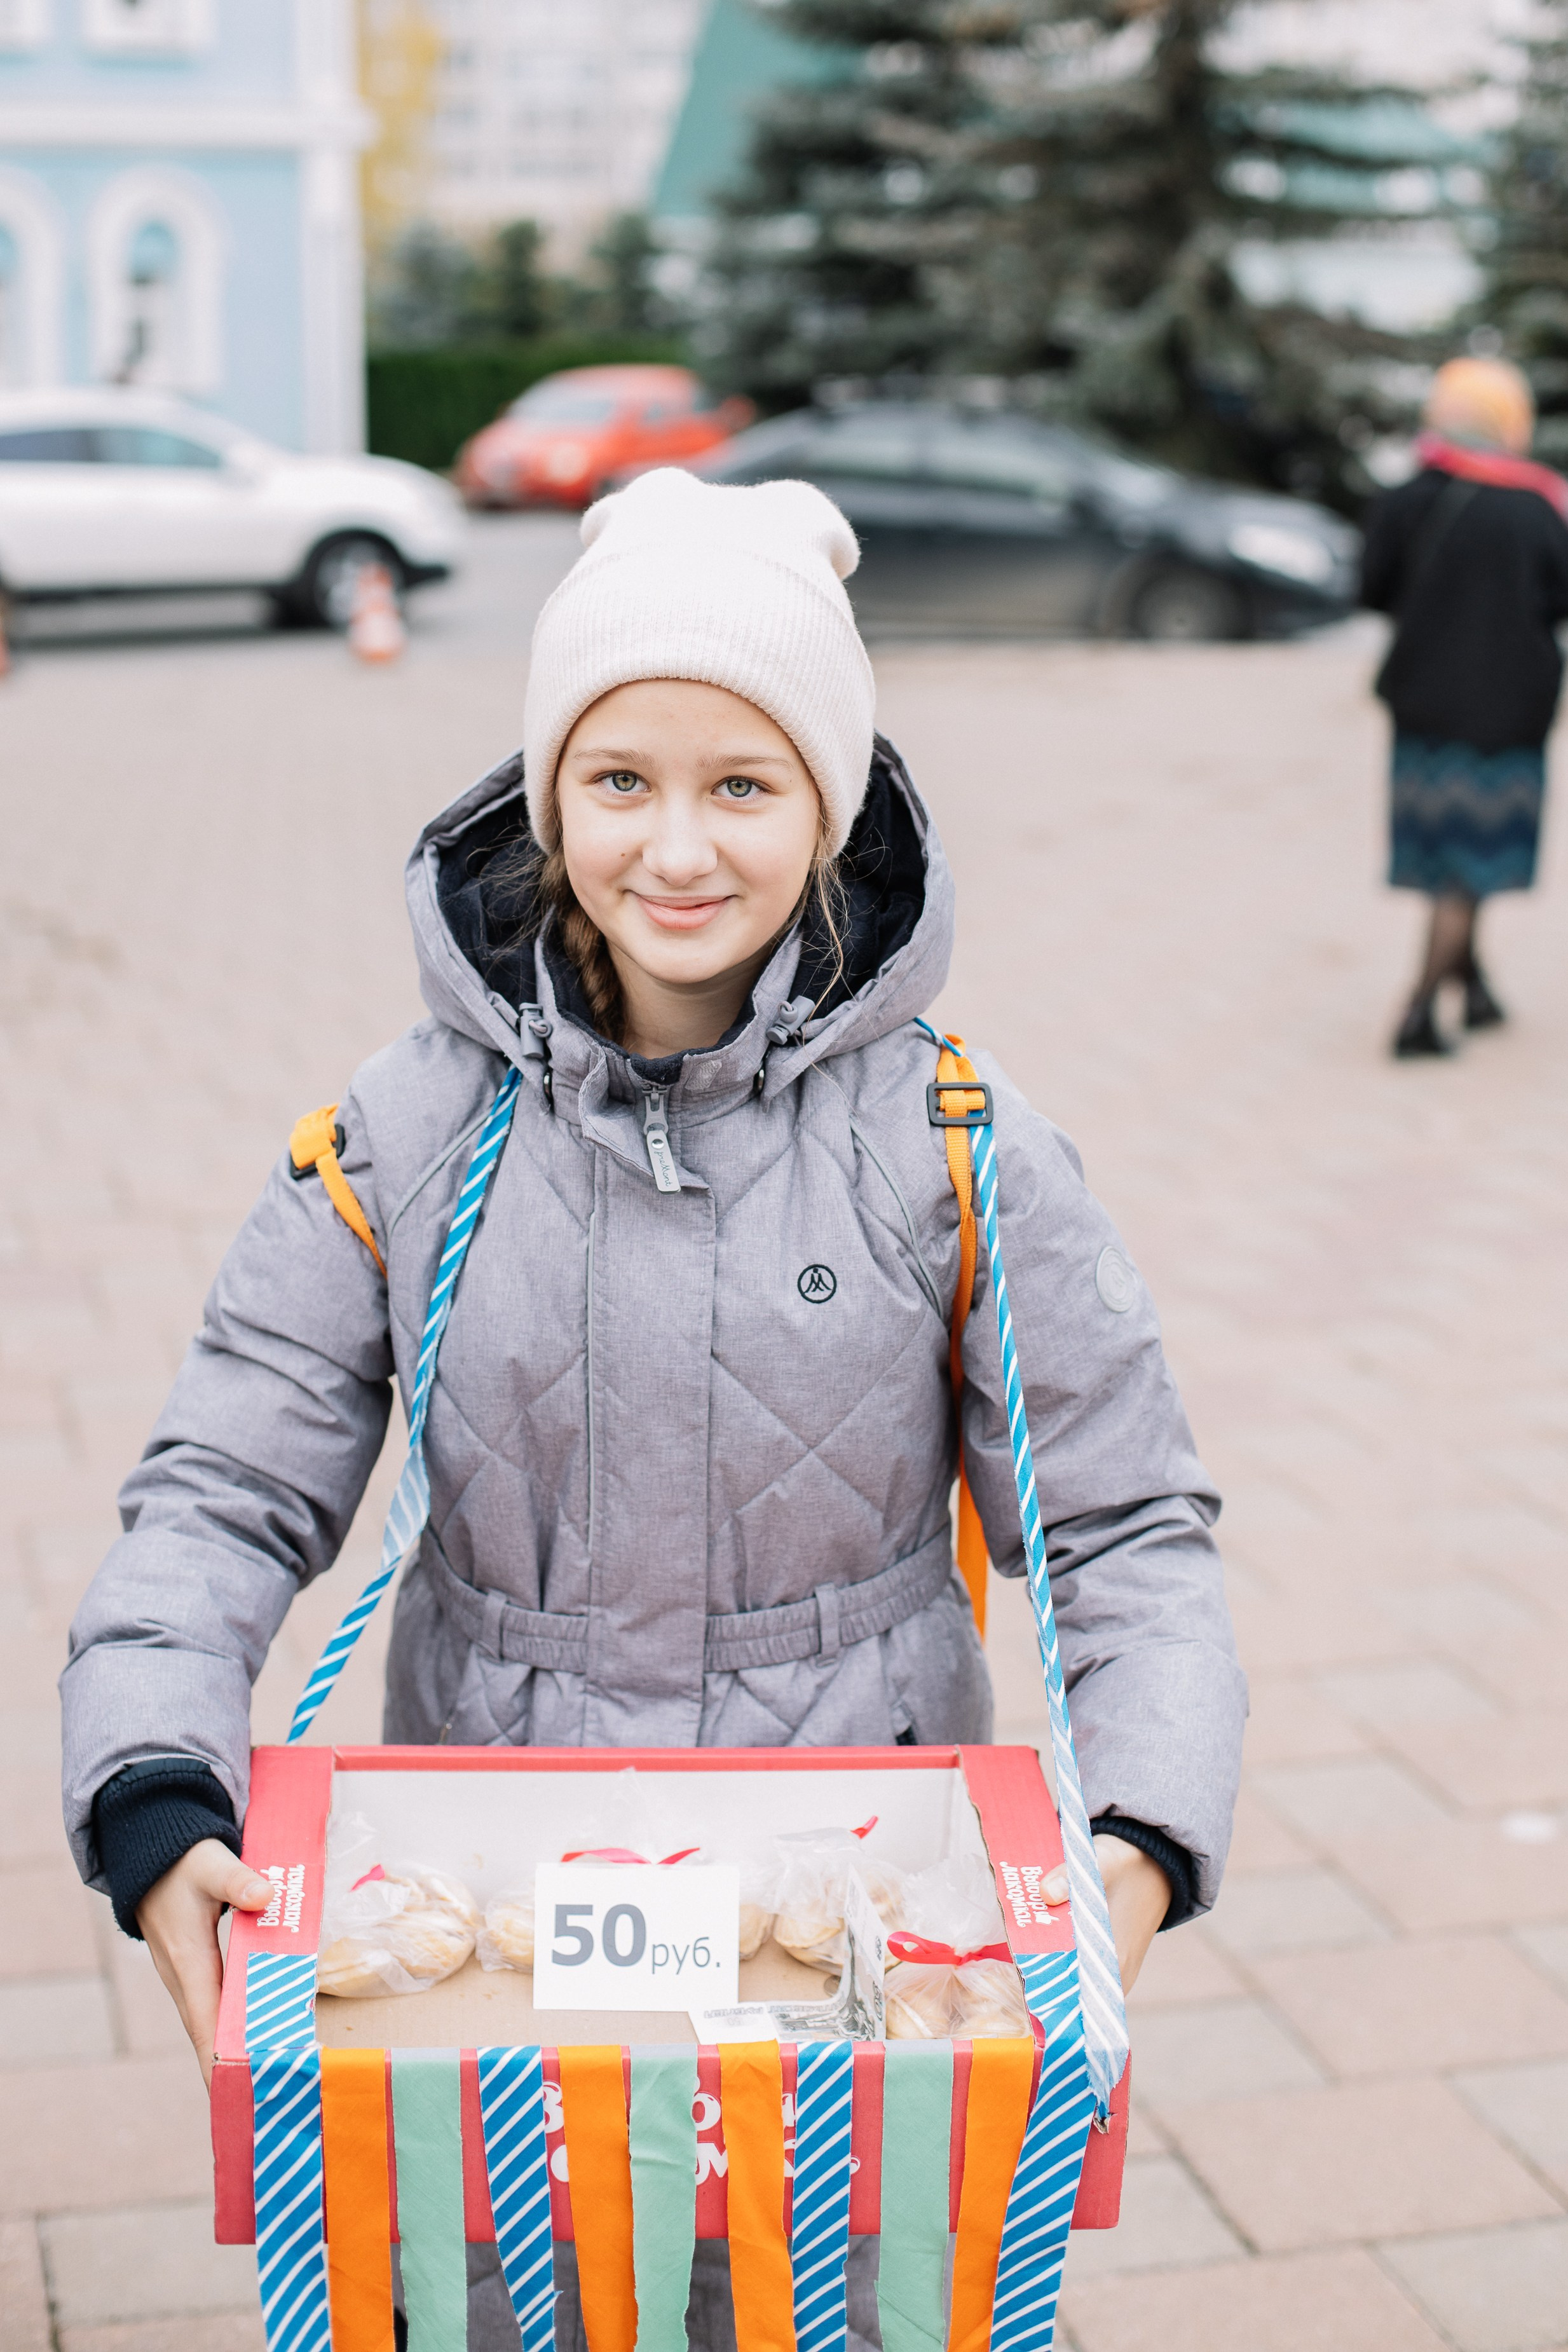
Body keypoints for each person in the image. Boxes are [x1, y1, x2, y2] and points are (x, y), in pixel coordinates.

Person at [60, 469, 1244, 2347]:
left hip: (848, 1900)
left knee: (818, 2294)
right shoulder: (406, 1129)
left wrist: (1146, 1831)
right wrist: (151, 1779)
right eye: (620, 780)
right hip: (495, 1897)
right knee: (525, 2291)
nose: (676, 849)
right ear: (548, 798)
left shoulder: (954, 1142)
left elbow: (1119, 1523)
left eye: (742, 784)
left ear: (827, 804)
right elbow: (222, 1484)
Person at [1361, 354, 1568, 1057]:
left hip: (1423, 706)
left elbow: (1370, 588)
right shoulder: (1538, 506)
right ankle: (1419, 1012)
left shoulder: (1408, 497)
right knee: (1469, 864)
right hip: (1506, 711)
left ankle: (1472, 986)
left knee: (1448, 857)